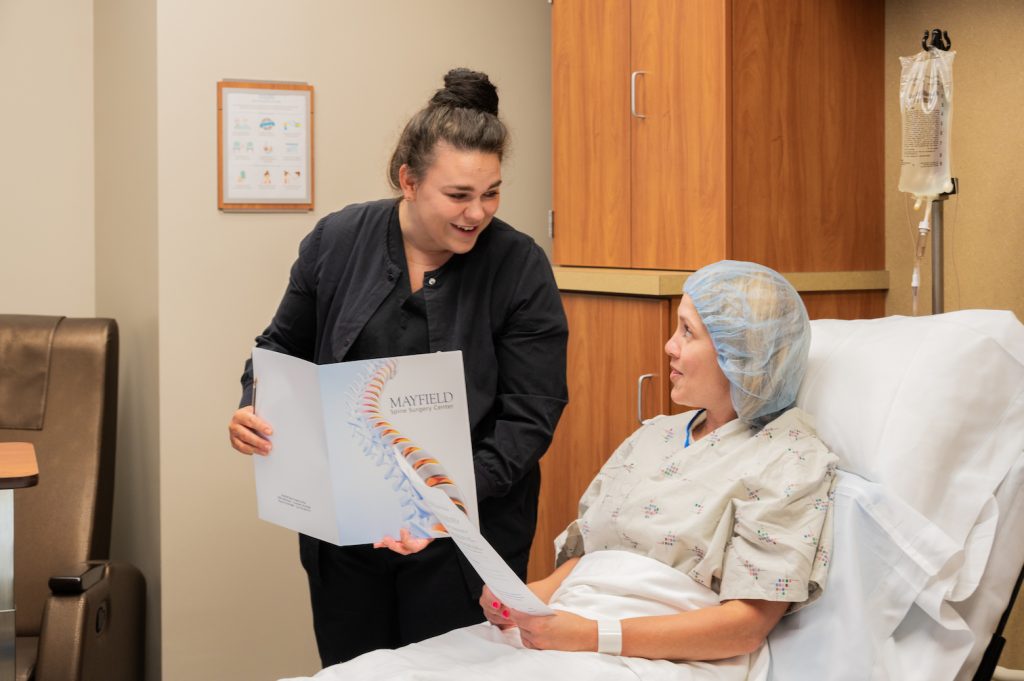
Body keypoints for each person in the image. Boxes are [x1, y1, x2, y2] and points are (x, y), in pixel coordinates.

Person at [286, 260, 836, 681]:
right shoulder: (657, 435)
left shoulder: (788, 455)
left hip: (660, 654)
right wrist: (529, 597)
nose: (668, 346)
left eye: (688, 333)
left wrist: (592, 635)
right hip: (569, 629)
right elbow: (596, 557)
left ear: (744, 352)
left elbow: (746, 625)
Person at [228, 68, 569, 667]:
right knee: (355, 668)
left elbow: (531, 413)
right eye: (459, 195)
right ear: (407, 181)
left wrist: (444, 502)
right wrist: (253, 407)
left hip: (466, 536)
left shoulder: (517, 265)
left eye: (491, 193)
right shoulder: (337, 241)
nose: (478, 213)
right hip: (349, 536)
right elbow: (280, 349)